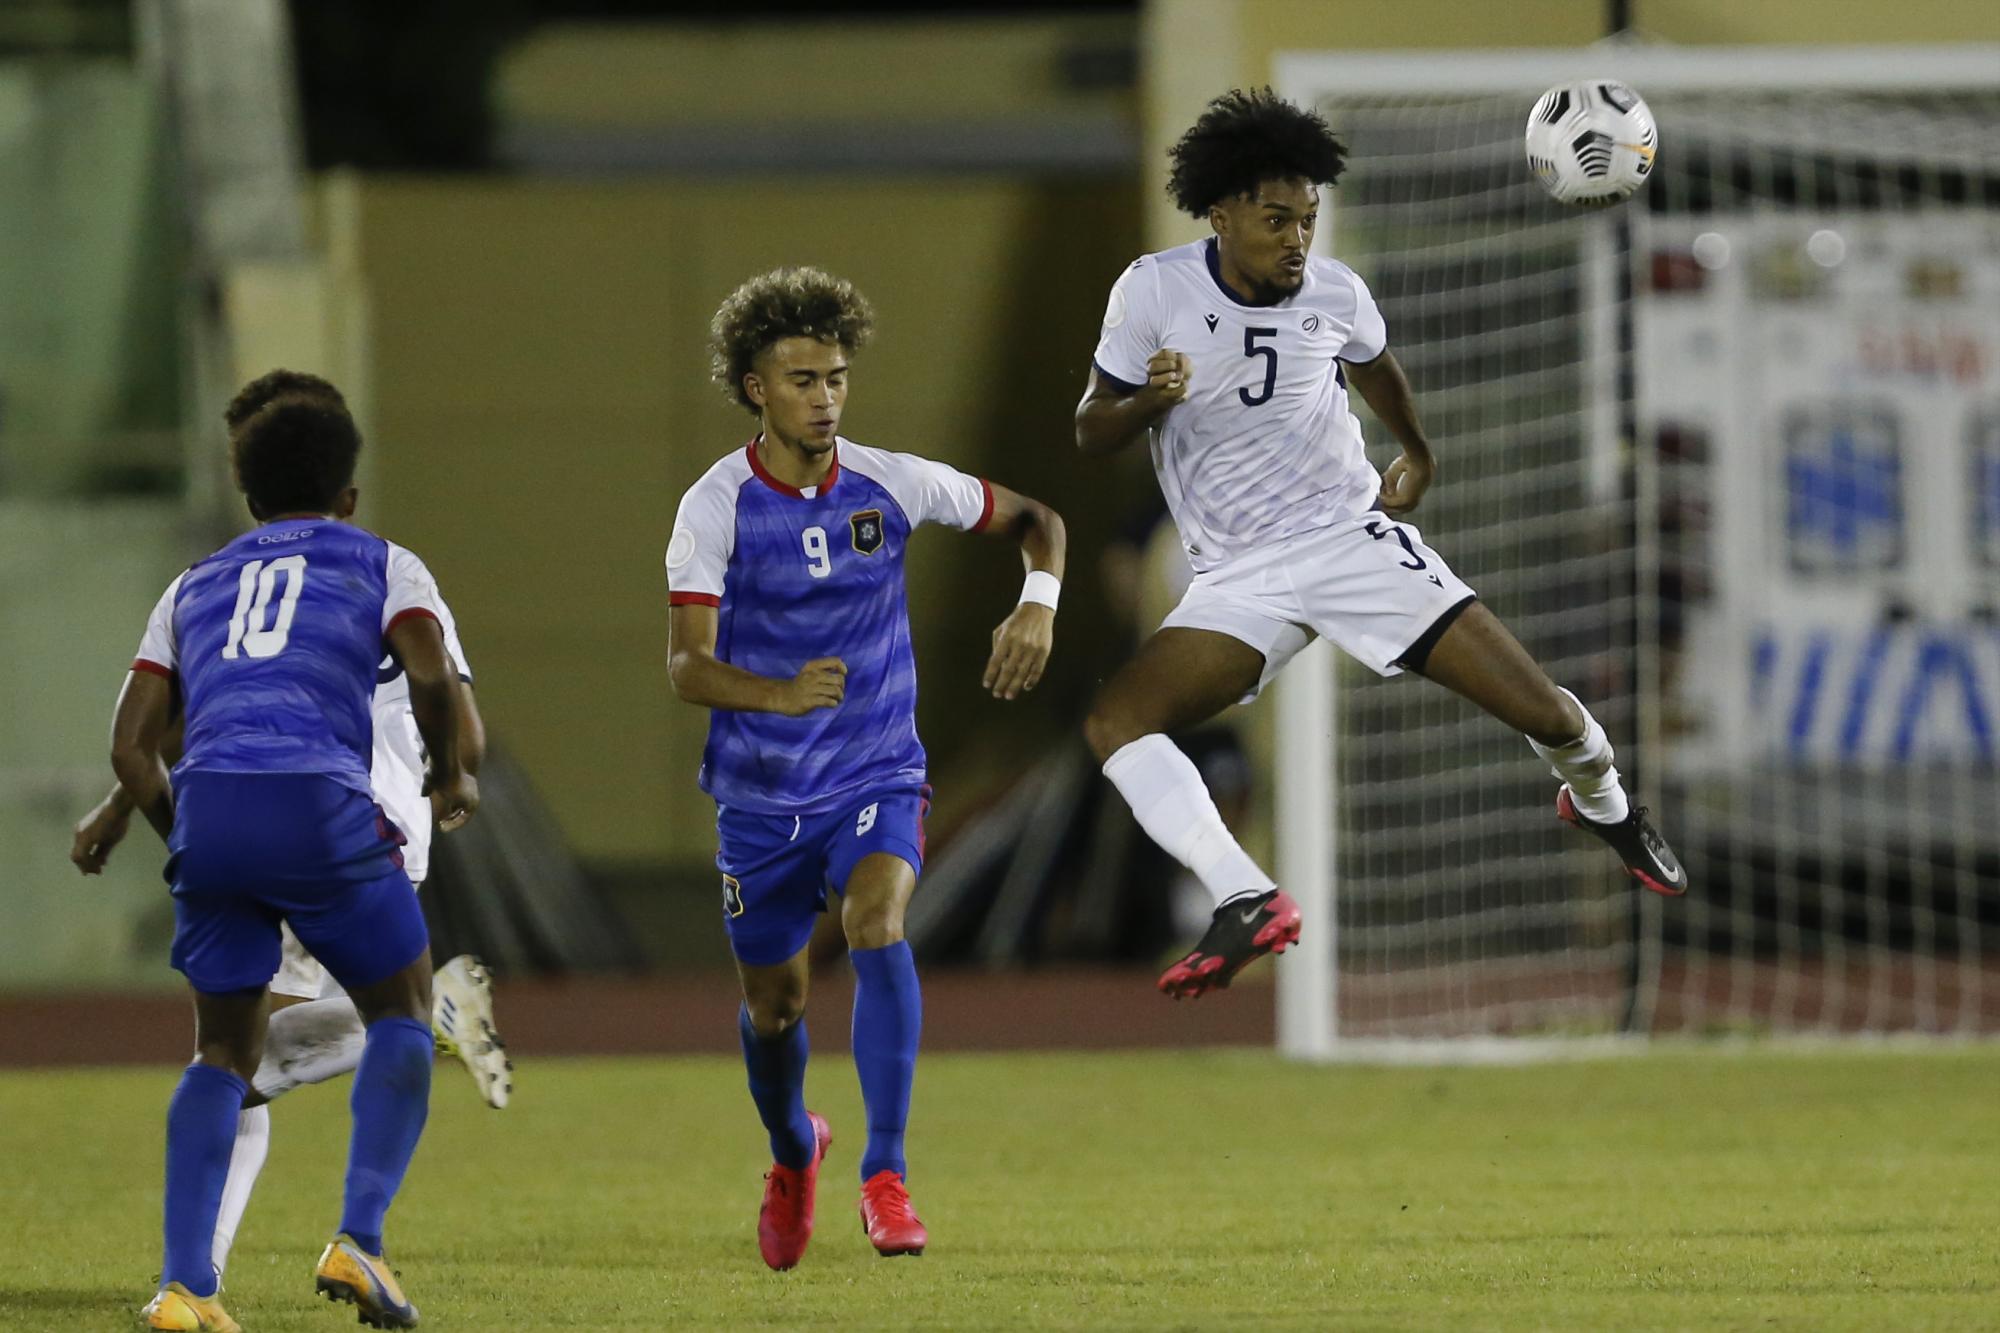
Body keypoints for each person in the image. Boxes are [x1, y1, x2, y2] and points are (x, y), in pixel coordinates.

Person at [1073, 88, 1685, 1002]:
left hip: (1348, 543)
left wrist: (1417, 452)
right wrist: (1147, 402)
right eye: (1276, 220)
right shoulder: (1153, 290)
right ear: (1221, 214)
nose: (1296, 239)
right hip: (1238, 578)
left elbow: (1375, 366)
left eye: (1307, 220)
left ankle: (1605, 801)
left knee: (1547, 716)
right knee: (1117, 720)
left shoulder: (1334, 292)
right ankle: (1244, 895)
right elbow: (1091, 429)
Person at [72, 371, 512, 1307]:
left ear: (247, 491)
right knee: (395, 1012)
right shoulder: (385, 564)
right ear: (348, 491)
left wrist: (169, 831)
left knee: (224, 1055)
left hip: (216, 819)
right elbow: (437, 677)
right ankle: (361, 1238)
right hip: (338, 816)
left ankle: (186, 1285)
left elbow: (137, 741)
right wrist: (454, 774)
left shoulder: (194, 582)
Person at [666, 267, 1066, 1269]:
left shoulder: (894, 481)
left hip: (875, 770)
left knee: (877, 921)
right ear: (756, 388)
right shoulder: (714, 506)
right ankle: (793, 1149)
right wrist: (779, 694)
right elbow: (686, 666)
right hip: (761, 795)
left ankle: (885, 1174)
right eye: (802, 380)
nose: (825, 398)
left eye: (836, 377)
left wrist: (1037, 604)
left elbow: (1037, 522)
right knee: (776, 1007)